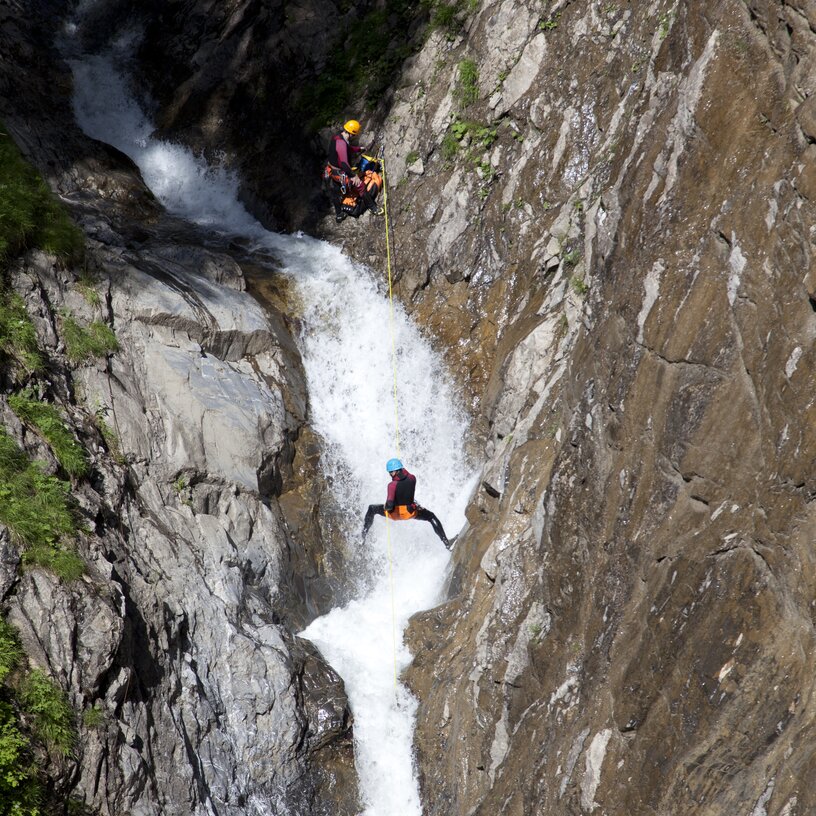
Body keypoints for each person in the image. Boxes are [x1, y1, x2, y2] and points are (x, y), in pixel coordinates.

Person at [361, 458, 451, 548]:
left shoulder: (392, 485)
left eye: (390, 472)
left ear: (394, 472)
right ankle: (446, 543)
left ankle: (363, 537)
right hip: (411, 512)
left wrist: (385, 506)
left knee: (372, 508)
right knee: (431, 516)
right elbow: (407, 488)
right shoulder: (412, 478)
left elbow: (389, 505)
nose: (390, 475)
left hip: (395, 514)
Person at [325, 119, 384, 222]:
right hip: (340, 173)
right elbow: (344, 163)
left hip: (332, 171)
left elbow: (346, 148)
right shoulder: (342, 143)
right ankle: (373, 208)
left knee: (335, 192)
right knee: (360, 186)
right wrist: (353, 176)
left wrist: (359, 149)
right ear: (353, 133)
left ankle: (339, 215)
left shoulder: (337, 137)